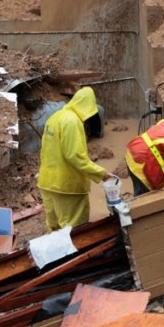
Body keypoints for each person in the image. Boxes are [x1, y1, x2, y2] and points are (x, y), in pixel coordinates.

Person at [37, 87, 116, 231]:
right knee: (73, 229)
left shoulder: (55, 117)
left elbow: (45, 150)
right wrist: (101, 173)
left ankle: (57, 253)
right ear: (88, 106)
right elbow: (75, 156)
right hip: (66, 186)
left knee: (54, 228)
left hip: (47, 182)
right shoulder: (72, 122)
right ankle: (73, 254)